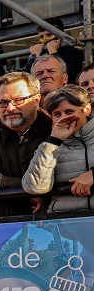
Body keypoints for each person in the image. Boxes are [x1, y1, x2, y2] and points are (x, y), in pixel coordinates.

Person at [0, 72, 52, 183]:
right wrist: (25, 187)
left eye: (18, 100)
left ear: (36, 100)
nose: (10, 108)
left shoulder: (54, 128)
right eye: (3, 102)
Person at [22, 85, 94, 213]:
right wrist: (54, 141)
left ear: (86, 109)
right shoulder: (49, 146)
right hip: (64, 224)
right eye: (57, 114)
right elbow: (34, 187)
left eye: (69, 112)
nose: (63, 118)